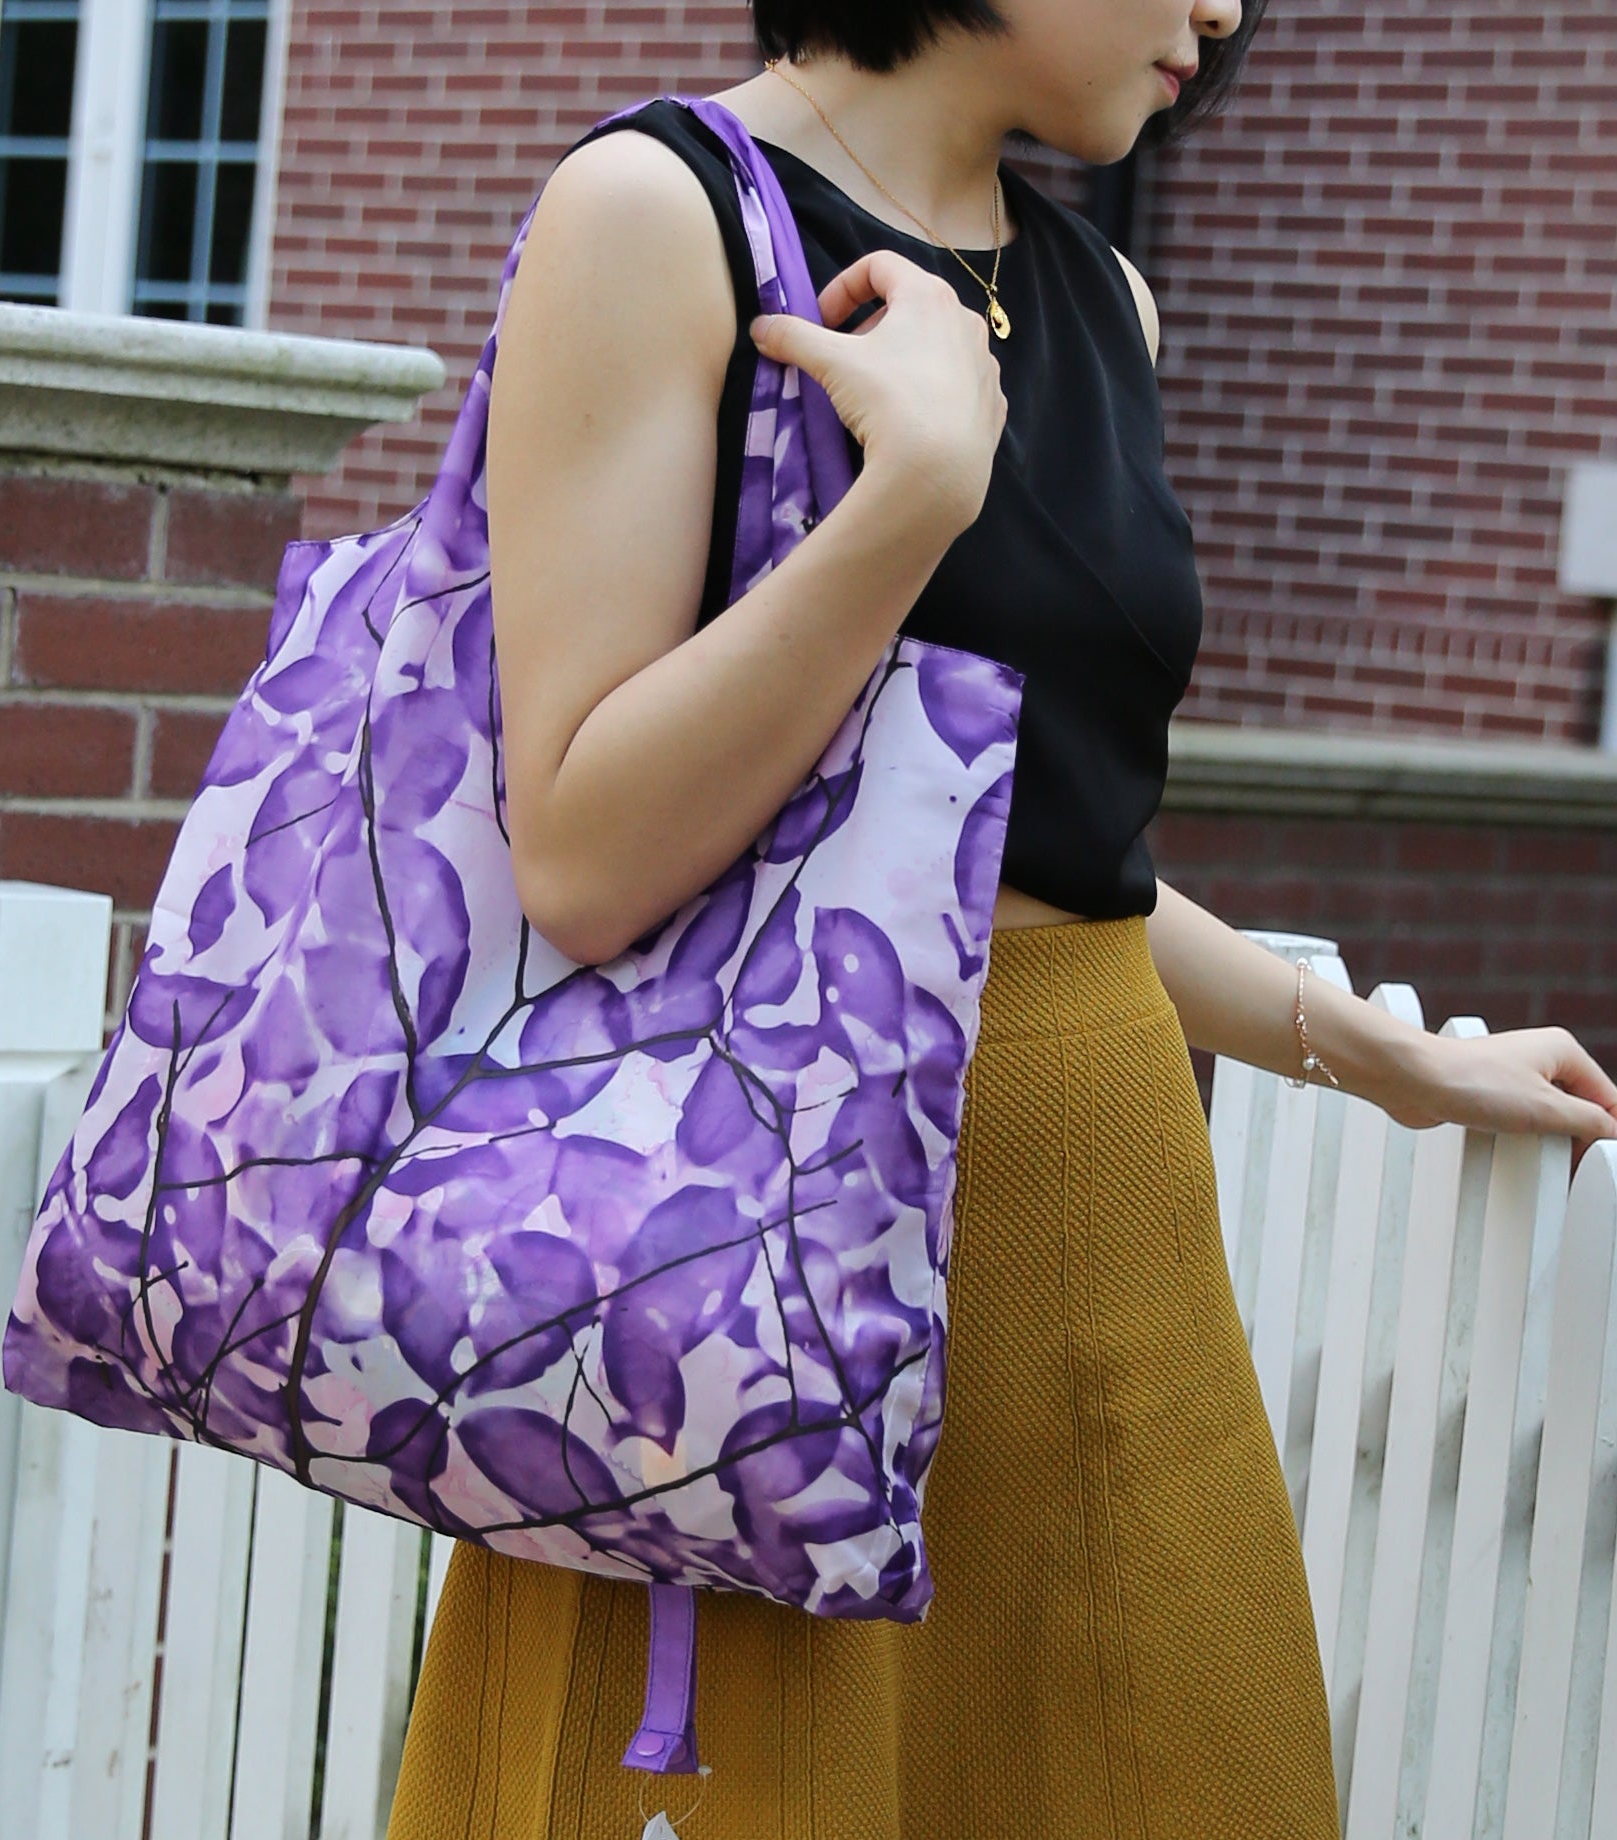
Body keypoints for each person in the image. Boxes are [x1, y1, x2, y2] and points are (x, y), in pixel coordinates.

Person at [385, 3, 1617, 1834]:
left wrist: (1378, 1053)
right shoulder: (658, 211)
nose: (1224, 10)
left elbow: (1033, 850)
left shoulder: (1101, 298)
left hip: (1097, 1212)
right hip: (760, 1251)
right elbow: (578, 851)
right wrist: (911, 503)